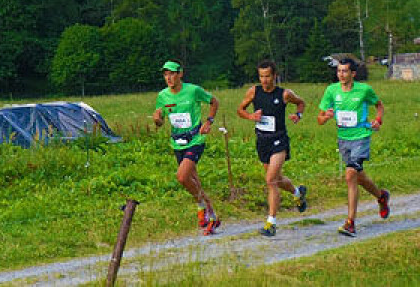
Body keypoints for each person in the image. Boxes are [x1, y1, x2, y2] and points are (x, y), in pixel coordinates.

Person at [317, 57, 390, 237]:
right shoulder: (331, 91)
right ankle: (381, 196)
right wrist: (326, 117)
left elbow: (379, 106)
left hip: (361, 137)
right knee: (360, 177)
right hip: (343, 139)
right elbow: (319, 119)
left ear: (353, 74)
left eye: (344, 71)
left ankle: (350, 223)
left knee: (350, 175)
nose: (341, 74)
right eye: (339, 71)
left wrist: (378, 120)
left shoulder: (364, 90)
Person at [236, 59, 308, 237]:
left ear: (275, 76)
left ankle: (271, 223)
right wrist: (251, 116)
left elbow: (301, 103)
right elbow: (240, 110)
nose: (264, 80)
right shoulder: (254, 91)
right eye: (261, 76)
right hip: (262, 141)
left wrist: (298, 115)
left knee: (270, 181)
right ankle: (298, 193)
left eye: (268, 76)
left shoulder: (284, 94)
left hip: (279, 140)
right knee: (277, 179)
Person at [153, 60, 221, 235]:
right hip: (177, 142)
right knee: (194, 181)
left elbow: (214, 102)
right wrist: (157, 120)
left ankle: (201, 207)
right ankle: (212, 216)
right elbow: (160, 122)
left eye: (172, 73)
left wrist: (209, 121)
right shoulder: (162, 96)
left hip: (195, 140)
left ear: (180, 74)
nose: (169, 78)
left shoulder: (193, 91)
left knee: (182, 177)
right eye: (166, 74)